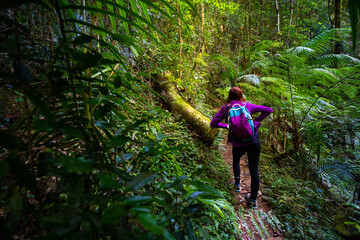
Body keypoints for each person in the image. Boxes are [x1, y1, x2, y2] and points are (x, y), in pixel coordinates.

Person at [210, 87, 273, 208]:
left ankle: (237, 184)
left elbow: (213, 123)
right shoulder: (247, 105)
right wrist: (255, 123)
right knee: (254, 170)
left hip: (238, 142)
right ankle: (253, 200)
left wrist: (226, 126)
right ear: (241, 95)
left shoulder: (226, 108)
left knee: (236, 160)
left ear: (229, 96)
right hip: (253, 141)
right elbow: (269, 110)